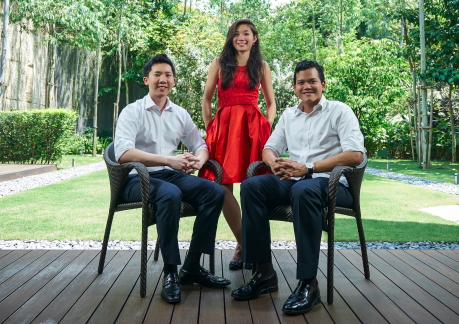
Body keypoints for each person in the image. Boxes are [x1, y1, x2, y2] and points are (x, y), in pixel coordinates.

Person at [231, 60, 366, 315]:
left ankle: (308, 284)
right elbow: (269, 148)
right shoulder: (289, 116)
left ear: (322, 84)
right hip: (293, 180)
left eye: (312, 81)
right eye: (301, 82)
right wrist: (274, 164)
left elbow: (356, 155)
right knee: (251, 186)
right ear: (294, 87)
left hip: (330, 183)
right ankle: (264, 273)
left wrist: (310, 168)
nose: (307, 86)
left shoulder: (340, 111)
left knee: (302, 191)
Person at [115, 54, 231, 304]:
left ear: (173, 81)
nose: (162, 80)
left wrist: (198, 161)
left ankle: (191, 267)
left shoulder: (179, 114)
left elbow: (200, 144)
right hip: (137, 179)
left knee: (215, 192)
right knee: (171, 194)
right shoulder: (132, 111)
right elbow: (123, 154)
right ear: (147, 79)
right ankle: (170, 272)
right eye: (157, 74)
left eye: (167, 75)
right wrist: (170, 160)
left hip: (169, 176)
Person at [198, 19, 276, 270]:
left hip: (253, 129)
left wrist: (267, 126)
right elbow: (207, 100)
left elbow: (271, 103)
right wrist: (212, 127)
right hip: (224, 129)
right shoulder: (219, 63)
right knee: (222, 186)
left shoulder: (262, 66)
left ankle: (242, 249)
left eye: (246, 33)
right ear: (231, 38)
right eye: (236, 34)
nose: (241, 37)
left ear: (255, 38)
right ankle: (245, 243)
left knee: (252, 186)